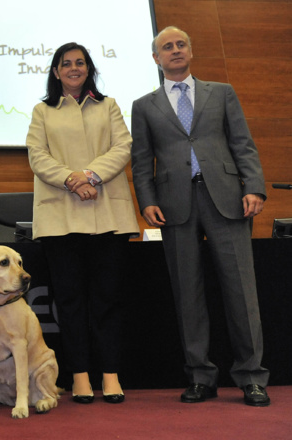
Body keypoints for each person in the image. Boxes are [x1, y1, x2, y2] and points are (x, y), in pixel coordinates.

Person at [130, 26, 270, 407]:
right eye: (166, 47)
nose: (175, 50)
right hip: (174, 205)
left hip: (226, 199)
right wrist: (146, 200)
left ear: (190, 51)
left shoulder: (221, 92)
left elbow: (243, 142)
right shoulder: (144, 105)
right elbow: (141, 161)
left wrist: (254, 186)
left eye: (181, 44)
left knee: (242, 291)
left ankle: (252, 377)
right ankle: (200, 376)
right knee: (187, 293)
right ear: (155, 58)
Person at [26, 42, 139, 404]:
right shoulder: (42, 111)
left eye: (80, 63)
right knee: (70, 302)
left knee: (106, 300)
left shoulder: (109, 106)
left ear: (88, 69)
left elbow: (123, 147)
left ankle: (110, 373)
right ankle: (78, 375)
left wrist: (90, 175)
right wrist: (71, 179)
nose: (74, 68)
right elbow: (37, 156)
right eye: (66, 64)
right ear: (56, 71)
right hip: (61, 218)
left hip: (108, 216)